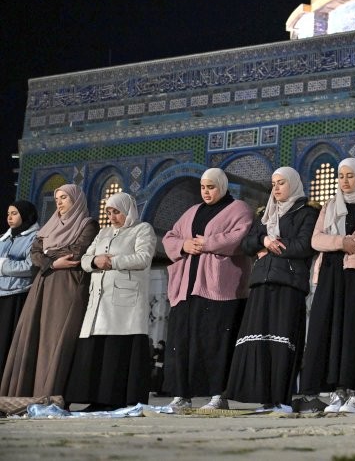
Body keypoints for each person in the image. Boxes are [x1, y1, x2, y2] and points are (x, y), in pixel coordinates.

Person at [225, 167, 317, 410]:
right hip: (261, 282)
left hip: (288, 283)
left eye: (281, 183)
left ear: (294, 184)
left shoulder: (305, 212)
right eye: (274, 184)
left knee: (282, 341)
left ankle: (282, 398)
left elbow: (304, 245)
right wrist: (262, 241)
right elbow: (246, 243)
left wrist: (273, 246)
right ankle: (265, 398)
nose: (276, 188)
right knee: (260, 342)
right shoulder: (265, 214)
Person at [162, 168, 253, 411]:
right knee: (181, 343)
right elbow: (170, 237)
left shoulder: (239, 209)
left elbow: (240, 237)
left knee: (216, 343)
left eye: (211, 187)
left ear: (222, 186)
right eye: (203, 187)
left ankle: (217, 395)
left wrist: (207, 243)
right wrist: (184, 244)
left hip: (219, 288)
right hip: (187, 289)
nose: (206, 191)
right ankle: (182, 395)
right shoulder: (192, 211)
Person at [299, 158, 355, 414]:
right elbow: (316, 240)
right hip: (330, 273)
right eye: (341, 176)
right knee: (329, 332)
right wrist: (341, 242)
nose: (345, 181)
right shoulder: (330, 205)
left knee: (353, 332)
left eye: (350, 176)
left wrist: (347, 243)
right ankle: (337, 392)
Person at [1, 184, 99, 397]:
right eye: (57, 199)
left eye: (64, 198)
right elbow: (35, 253)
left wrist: (47, 253)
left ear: (76, 199)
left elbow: (76, 252)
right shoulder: (50, 225)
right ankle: (27, 392)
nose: (60, 202)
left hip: (67, 285)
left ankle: (50, 392)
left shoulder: (87, 224)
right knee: (35, 335)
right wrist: (52, 261)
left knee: (56, 337)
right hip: (44, 282)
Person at [64, 192, 156, 410]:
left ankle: (115, 400)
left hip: (126, 302)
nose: (112, 217)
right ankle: (95, 399)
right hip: (99, 300)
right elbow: (85, 259)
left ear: (128, 211)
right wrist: (96, 260)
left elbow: (143, 258)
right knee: (97, 351)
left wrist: (111, 263)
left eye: (117, 212)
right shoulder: (103, 233)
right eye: (109, 212)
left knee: (118, 350)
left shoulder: (142, 229)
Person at [0, 202, 41, 375]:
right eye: (8, 213)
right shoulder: (4, 237)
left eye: (14, 213)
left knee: (6, 342)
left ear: (25, 215)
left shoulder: (36, 238)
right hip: (1, 293)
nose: (9, 217)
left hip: (17, 295)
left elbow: (30, 267)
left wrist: (2, 265)